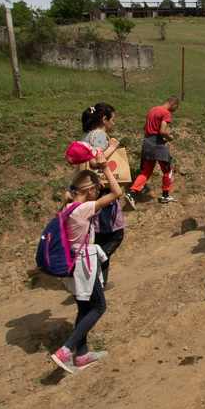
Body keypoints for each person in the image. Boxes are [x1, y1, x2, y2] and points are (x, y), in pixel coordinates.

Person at [50, 157, 121, 374]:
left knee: (84, 308)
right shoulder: (84, 209)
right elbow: (117, 193)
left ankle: (82, 355)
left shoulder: (67, 207)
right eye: (97, 190)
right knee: (99, 307)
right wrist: (105, 168)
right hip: (83, 265)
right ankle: (66, 350)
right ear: (90, 190)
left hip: (71, 265)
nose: (99, 193)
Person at [81, 103, 129, 291]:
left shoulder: (86, 137)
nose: (113, 123)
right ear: (104, 119)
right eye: (112, 119)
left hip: (90, 192)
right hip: (103, 192)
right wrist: (113, 146)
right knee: (115, 234)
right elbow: (96, 161)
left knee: (99, 237)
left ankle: (101, 281)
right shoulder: (100, 135)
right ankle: (93, 269)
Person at [127, 96, 179, 205]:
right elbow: (163, 131)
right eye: (176, 107)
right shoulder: (166, 113)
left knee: (146, 172)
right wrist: (169, 138)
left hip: (147, 143)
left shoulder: (152, 110)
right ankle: (165, 195)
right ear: (173, 103)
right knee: (168, 168)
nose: (175, 109)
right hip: (157, 144)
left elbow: (144, 127)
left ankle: (132, 194)